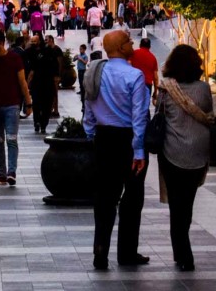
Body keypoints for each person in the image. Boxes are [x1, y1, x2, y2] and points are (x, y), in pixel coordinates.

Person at [82, 30, 149, 270]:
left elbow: (88, 109)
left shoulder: (95, 72)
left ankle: (100, 251)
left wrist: (91, 134)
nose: (132, 43)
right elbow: (139, 115)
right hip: (127, 139)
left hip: (104, 138)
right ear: (121, 47)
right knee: (132, 197)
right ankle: (127, 252)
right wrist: (138, 151)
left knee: (104, 198)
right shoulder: (134, 75)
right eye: (129, 41)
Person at [156, 45, 214, 271]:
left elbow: (159, 114)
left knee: (176, 206)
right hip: (198, 154)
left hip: (172, 152)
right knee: (187, 204)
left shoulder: (166, 89)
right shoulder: (204, 89)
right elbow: (208, 112)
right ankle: (182, 252)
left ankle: (183, 254)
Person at [0, 28, 33, 186]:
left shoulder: (15, 59)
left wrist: (28, 103)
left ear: (1, 43)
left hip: (12, 105)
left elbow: (22, 82)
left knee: (11, 139)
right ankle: (2, 174)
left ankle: (11, 172)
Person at [25, 36, 57, 134]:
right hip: (39, 83)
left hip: (45, 83)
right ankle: (39, 123)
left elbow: (55, 65)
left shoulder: (46, 52)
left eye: (34, 41)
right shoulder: (31, 52)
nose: (33, 43)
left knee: (44, 105)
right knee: (39, 104)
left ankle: (41, 123)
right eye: (32, 41)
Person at [130, 37, 160, 103]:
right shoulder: (153, 58)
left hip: (134, 83)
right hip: (147, 85)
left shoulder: (133, 54)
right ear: (150, 47)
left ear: (140, 45)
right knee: (145, 106)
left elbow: (128, 66)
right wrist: (155, 92)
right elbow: (155, 77)